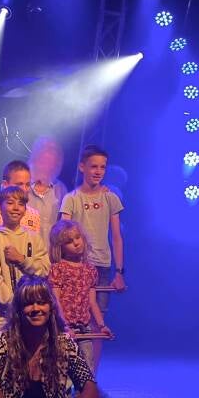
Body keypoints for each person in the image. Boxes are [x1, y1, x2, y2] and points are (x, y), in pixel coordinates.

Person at [59, 144, 125, 374]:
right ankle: (69, 377)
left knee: (97, 325)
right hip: (76, 267)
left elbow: (116, 237)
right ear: (82, 167)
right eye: (93, 166)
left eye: (102, 167)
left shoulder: (110, 198)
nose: (98, 171)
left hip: (102, 269)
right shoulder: (71, 199)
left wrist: (120, 272)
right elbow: (62, 234)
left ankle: (90, 381)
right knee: (73, 322)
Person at [0, 185, 50, 338]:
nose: (16, 208)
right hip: (1, 315)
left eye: (21, 204)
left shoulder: (34, 238)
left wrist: (22, 260)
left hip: (30, 313)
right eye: (10, 203)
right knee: (1, 352)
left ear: (25, 209)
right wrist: (15, 305)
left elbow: (44, 270)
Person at [48, 219, 114, 373]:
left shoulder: (90, 270)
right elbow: (55, 301)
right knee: (62, 368)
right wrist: (64, 326)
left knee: (88, 367)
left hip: (84, 327)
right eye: (69, 241)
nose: (76, 243)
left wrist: (102, 325)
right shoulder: (58, 269)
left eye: (78, 237)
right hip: (64, 328)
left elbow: (92, 302)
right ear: (60, 247)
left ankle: (87, 388)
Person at [0, 160, 40, 254]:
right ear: (5, 185)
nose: (24, 189)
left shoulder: (34, 215)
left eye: (27, 185)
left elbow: (33, 250)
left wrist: (24, 259)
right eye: (19, 184)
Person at [28, 136, 68, 249]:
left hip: (48, 251)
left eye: (53, 159)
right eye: (44, 158)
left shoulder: (60, 189)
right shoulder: (23, 183)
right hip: (22, 250)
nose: (47, 164)